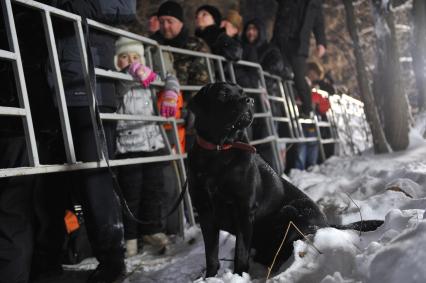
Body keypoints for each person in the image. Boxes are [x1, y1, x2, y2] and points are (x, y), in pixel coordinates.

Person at [47, 1, 137, 282]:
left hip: (89, 82)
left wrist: (68, 3)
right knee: (52, 181)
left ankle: (112, 260)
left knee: (94, 179)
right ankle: (53, 255)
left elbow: (125, 8)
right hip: (49, 82)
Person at [113, 37, 180, 256]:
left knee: (154, 191)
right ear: (116, 61)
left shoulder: (149, 76)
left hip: (153, 143)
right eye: (124, 57)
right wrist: (132, 71)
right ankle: (130, 237)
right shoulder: (116, 78)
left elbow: (170, 78)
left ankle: (151, 230)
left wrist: (170, 92)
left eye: (135, 57)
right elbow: (120, 87)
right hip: (129, 146)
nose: (131, 62)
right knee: (131, 193)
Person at [150, 0, 210, 152]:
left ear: (181, 22)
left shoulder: (195, 46)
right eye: (162, 21)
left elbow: (202, 82)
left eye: (170, 21)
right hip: (158, 113)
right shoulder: (153, 45)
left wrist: (192, 111)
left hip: (187, 116)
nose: (165, 26)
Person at [271, 0, 327, 118]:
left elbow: (319, 24)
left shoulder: (314, 4)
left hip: (299, 46)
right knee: (278, 71)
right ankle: (276, 107)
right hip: (281, 41)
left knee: (299, 78)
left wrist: (321, 43)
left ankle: (307, 109)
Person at [295, 61, 330, 170]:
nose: (315, 77)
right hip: (301, 116)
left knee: (312, 141)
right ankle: (301, 168)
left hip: (310, 118)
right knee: (302, 142)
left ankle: (311, 166)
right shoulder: (301, 80)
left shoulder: (314, 86)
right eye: (314, 74)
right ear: (310, 70)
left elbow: (324, 105)